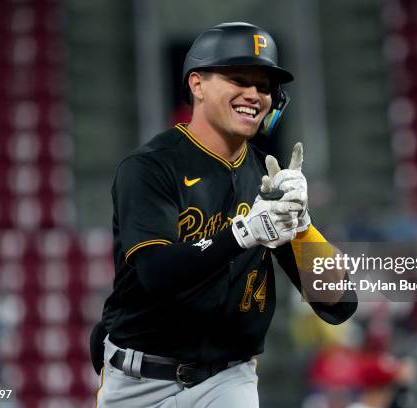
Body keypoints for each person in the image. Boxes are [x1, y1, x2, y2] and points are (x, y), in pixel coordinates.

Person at [93, 22, 357, 408]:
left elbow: (339, 300)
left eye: (264, 86)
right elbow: (156, 273)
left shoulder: (267, 180)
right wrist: (242, 234)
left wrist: (302, 226)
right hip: (138, 382)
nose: (253, 94)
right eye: (238, 78)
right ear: (197, 85)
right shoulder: (150, 168)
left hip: (227, 380)